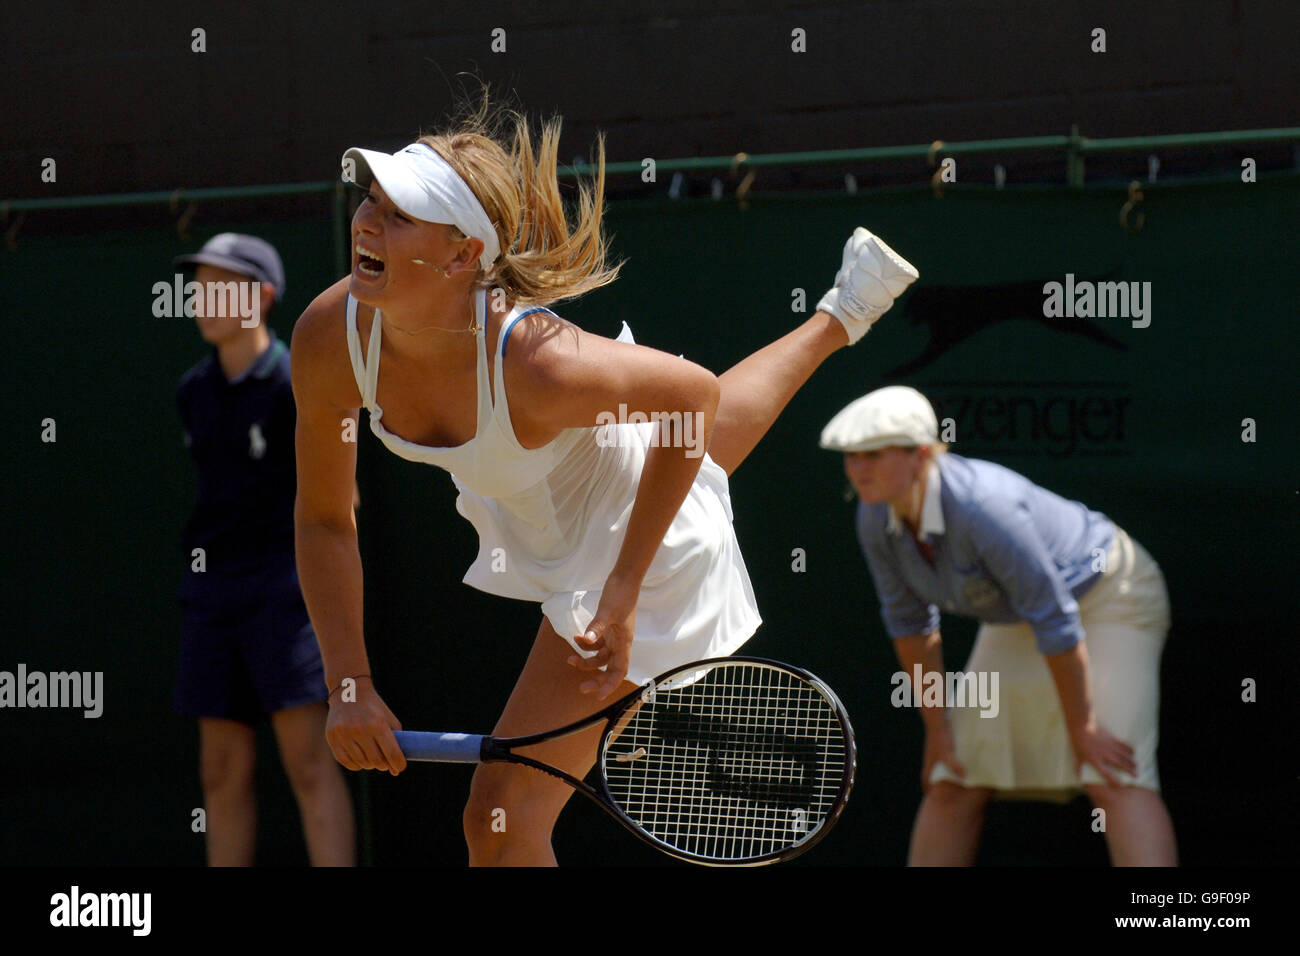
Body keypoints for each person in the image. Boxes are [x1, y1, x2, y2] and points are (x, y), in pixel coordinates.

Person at [289, 96, 919, 866]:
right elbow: (324, 518)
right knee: (700, 460)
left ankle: (840, 313)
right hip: (557, 501)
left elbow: (693, 395)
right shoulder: (330, 338)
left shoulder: (540, 366)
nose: (365, 222)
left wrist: (619, 598)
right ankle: (843, 311)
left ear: (461, 258)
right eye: (370, 201)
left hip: (636, 559)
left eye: (399, 214)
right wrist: (349, 680)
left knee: (501, 817)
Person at [820, 385, 1177, 866]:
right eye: (851, 456)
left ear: (921, 454)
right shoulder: (873, 513)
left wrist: (1082, 726)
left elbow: (1054, 619)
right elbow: (910, 624)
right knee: (953, 775)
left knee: (1112, 773)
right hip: (1023, 616)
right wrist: (937, 729)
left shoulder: (985, 507)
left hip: (1113, 595)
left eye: (873, 455)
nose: (857, 469)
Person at [174, 233, 356, 866]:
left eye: (218, 284)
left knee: (309, 760)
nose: (201, 298)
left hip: (287, 592)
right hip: (212, 594)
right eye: (197, 285)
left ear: (262, 297)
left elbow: (340, 502)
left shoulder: (292, 383)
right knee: (220, 771)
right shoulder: (193, 393)